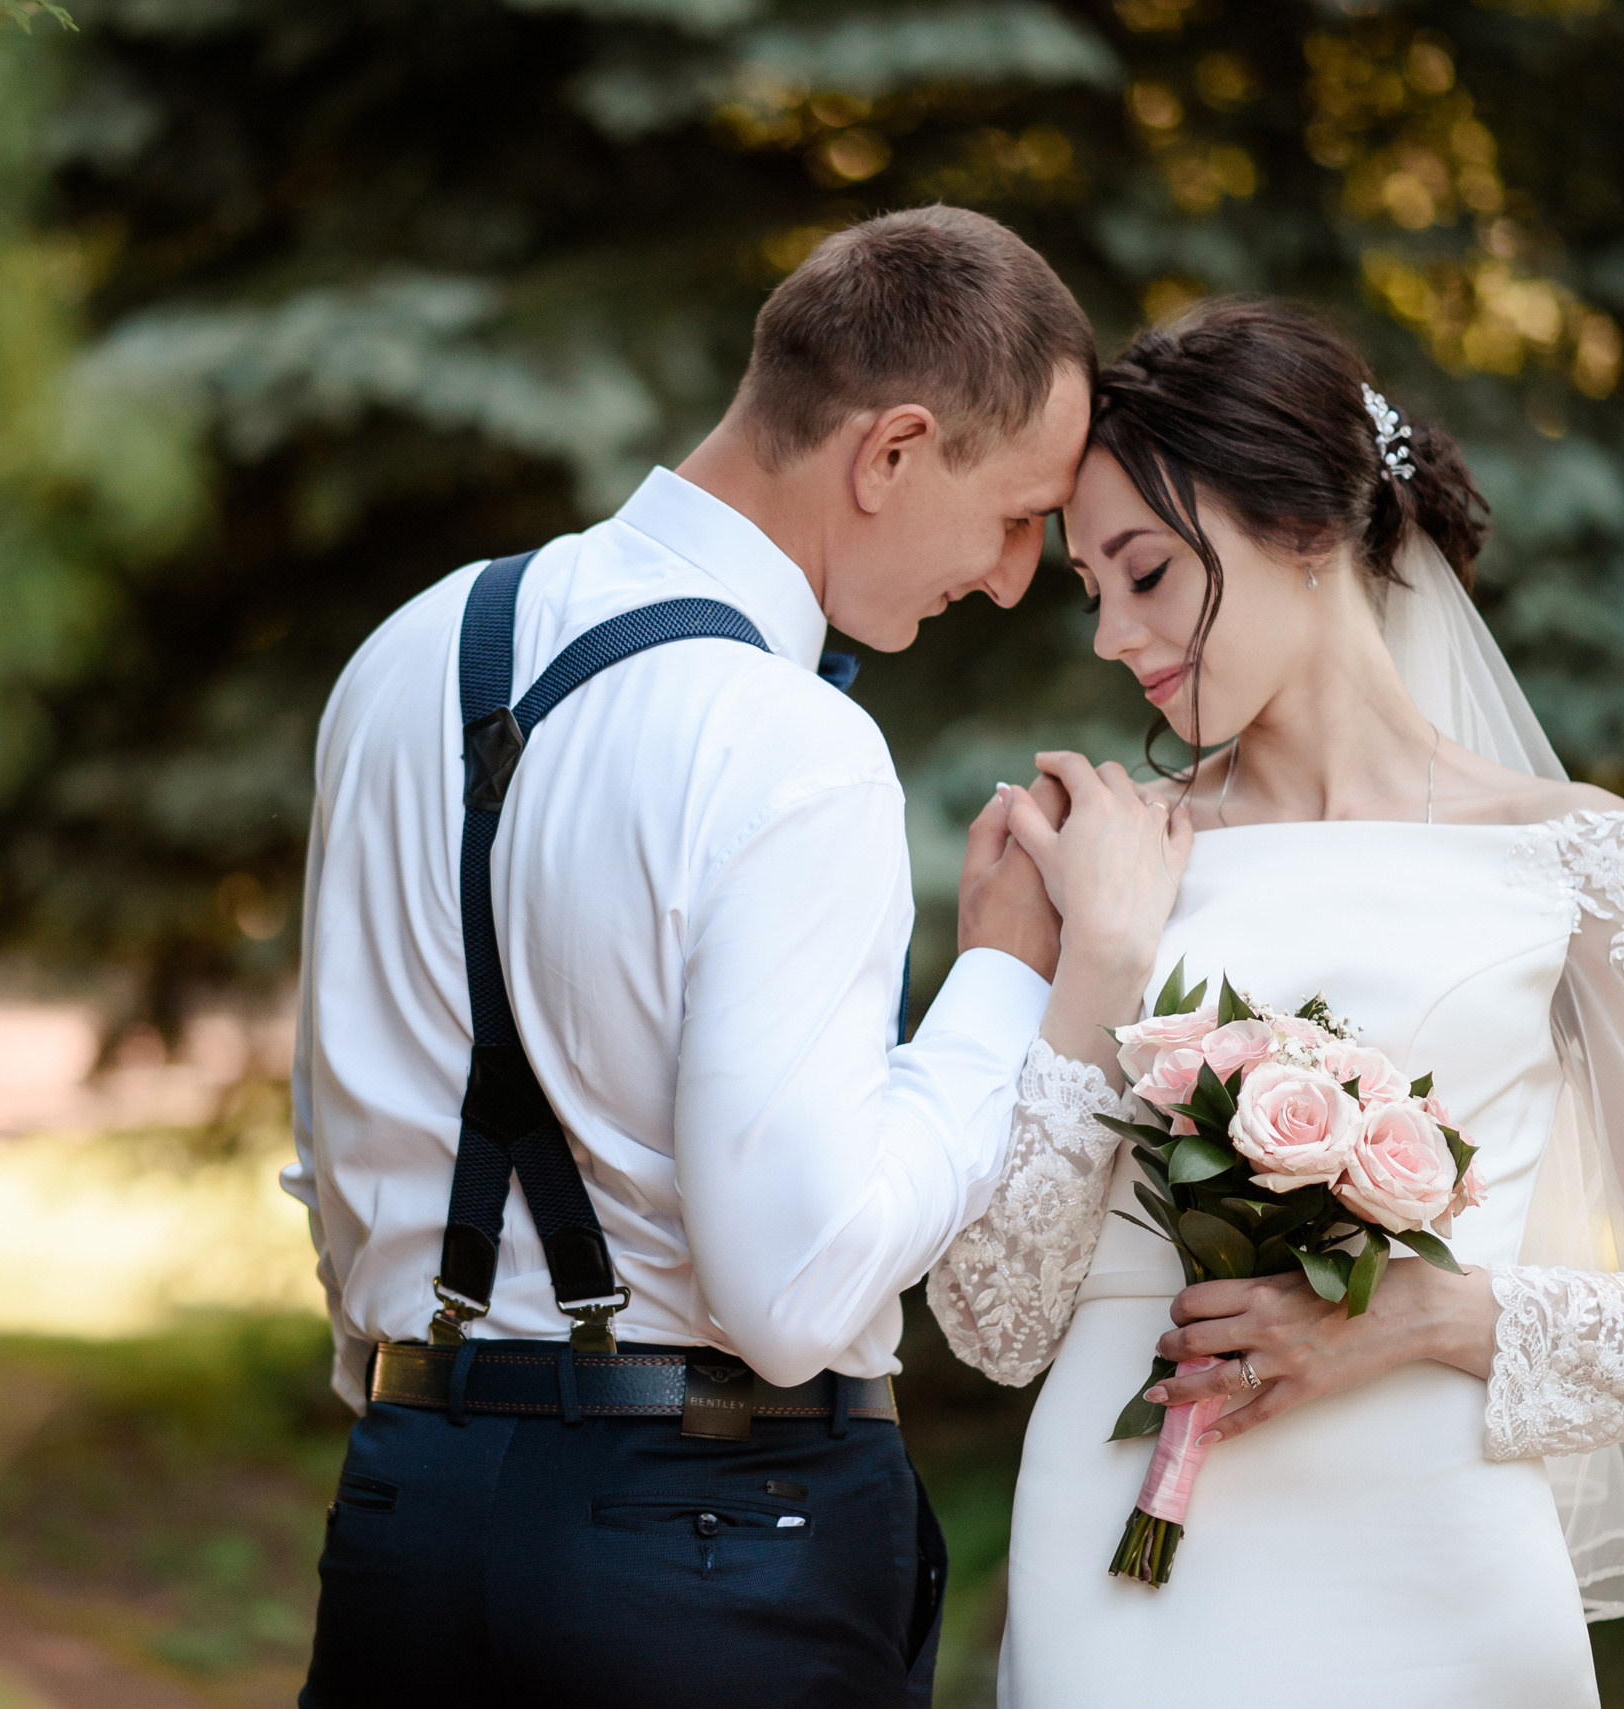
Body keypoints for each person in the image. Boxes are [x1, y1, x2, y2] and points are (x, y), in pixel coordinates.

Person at [284, 206, 1102, 1708]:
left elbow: (326, 1130)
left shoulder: (406, 650)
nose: (1012, 575)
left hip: (407, 1506)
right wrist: (1003, 981)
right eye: (1014, 515)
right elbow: (791, 1291)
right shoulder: (794, 746)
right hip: (711, 1549)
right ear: (893, 452)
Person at [929, 298, 1624, 1707]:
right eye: (1094, 589)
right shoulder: (1093, 853)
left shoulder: (1578, 859)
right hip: (1129, 1582)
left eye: (1145, 573)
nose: (1111, 636)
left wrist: (1419, 1316)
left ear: (1309, 531)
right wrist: (1096, 963)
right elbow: (993, 1322)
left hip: (1441, 1575)